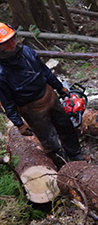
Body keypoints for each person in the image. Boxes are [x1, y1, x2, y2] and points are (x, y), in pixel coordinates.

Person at [0, 23, 82, 167]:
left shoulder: (27, 51)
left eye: (12, 39)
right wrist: (18, 123)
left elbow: (45, 71)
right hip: (31, 109)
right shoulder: (1, 72)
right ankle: (64, 167)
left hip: (49, 96)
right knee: (50, 142)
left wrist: (59, 87)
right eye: (6, 43)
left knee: (67, 128)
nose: (12, 44)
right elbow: (6, 102)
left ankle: (76, 156)